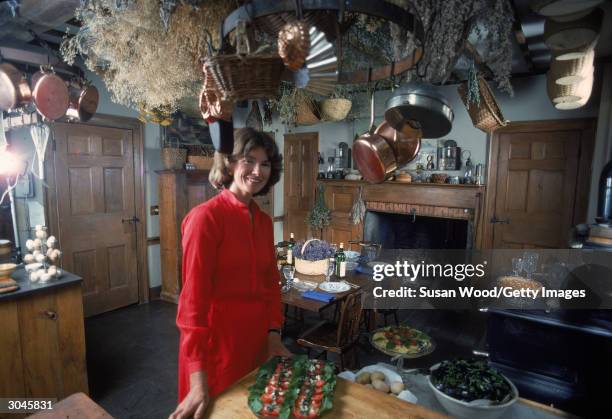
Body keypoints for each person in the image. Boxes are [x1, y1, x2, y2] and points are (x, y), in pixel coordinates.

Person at [170, 128, 292, 419]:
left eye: (265, 164)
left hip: (256, 344)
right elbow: (192, 305)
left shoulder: (263, 222)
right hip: (216, 351)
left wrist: (273, 334)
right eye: (249, 160)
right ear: (230, 163)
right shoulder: (205, 219)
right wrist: (197, 380)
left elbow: (269, 284)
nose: (257, 170)